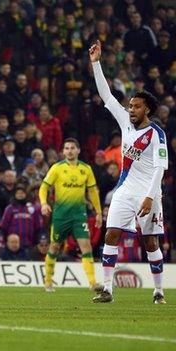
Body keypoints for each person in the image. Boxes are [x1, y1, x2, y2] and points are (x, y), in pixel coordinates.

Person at [90, 40, 169, 304]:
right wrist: (96, 63)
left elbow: (160, 168)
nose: (131, 109)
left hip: (149, 193)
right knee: (111, 234)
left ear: (146, 109)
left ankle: (158, 291)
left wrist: (150, 196)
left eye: (136, 106)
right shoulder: (124, 121)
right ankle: (108, 289)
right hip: (124, 191)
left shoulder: (157, 134)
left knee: (151, 244)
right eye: (131, 106)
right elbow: (106, 95)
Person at [39, 138, 102, 293]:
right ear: (63, 151)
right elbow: (43, 187)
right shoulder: (57, 168)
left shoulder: (86, 169)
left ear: (78, 150)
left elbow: (92, 191)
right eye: (66, 148)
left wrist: (99, 212)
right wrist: (44, 203)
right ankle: (48, 281)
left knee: (86, 246)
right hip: (60, 215)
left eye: (72, 148)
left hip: (79, 215)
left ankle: (93, 283)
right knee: (54, 247)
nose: (69, 151)